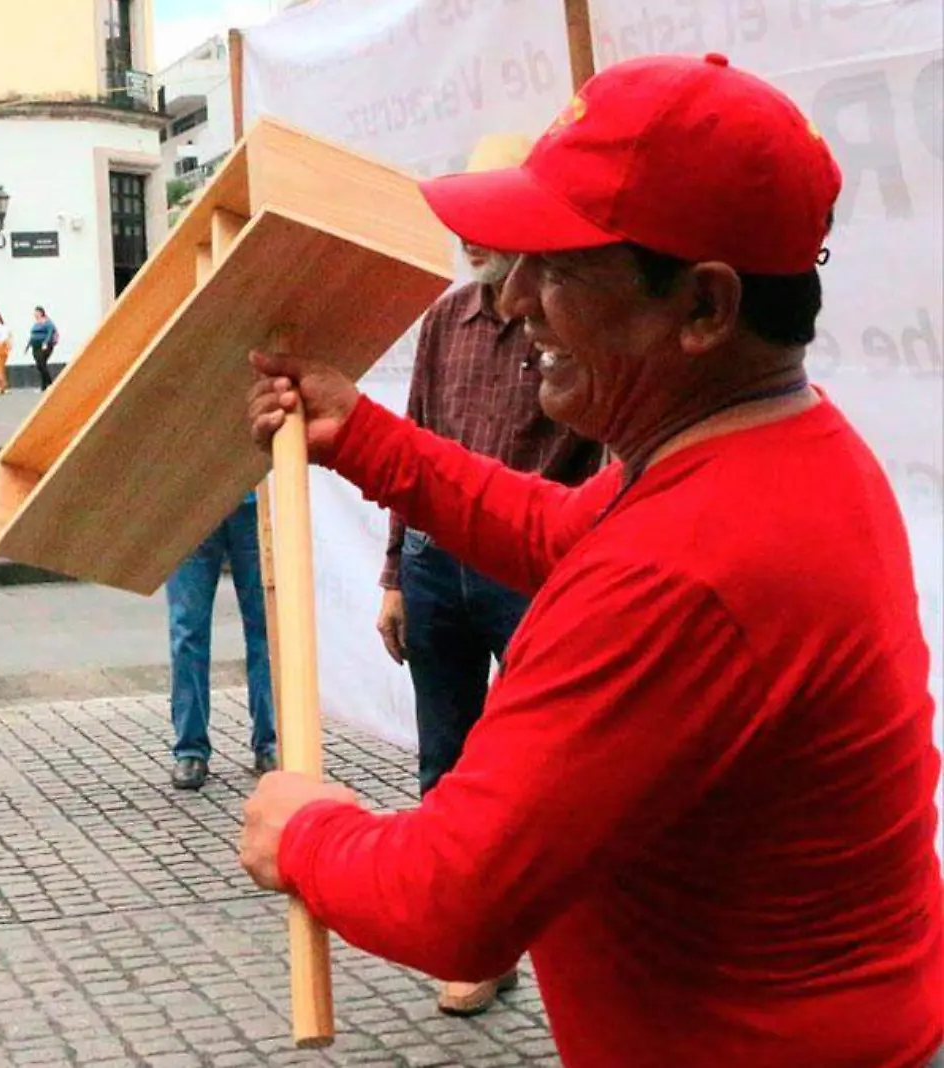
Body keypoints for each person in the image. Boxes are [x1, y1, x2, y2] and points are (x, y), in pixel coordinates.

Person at [239, 54, 943, 1068]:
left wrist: (307, 832)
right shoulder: (771, 451)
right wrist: (363, 435)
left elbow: (455, 901)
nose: (514, 298)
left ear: (703, 308)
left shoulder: (686, 569)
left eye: (558, 266)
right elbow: (560, 529)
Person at [378, 133, 605, 1015]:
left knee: (540, 769)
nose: (472, 241)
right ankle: (474, 943)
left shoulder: (570, 325)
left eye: (490, 223)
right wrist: (396, 574)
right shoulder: (445, 319)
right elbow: (415, 445)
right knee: (447, 762)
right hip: (436, 569)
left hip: (528, 572)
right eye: (465, 224)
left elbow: (598, 459)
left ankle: (552, 939)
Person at [165, 491, 276, 790]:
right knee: (187, 631)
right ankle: (190, 749)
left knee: (267, 627)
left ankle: (271, 742)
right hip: (190, 501)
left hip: (256, 500)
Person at [27, 307, 58, 389]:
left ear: (41, 313)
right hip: (35, 346)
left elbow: (50, 333)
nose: (35, 314)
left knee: (42, 363)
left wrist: (45, 343)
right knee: (39, 365)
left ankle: (50, 383)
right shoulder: (36, 323)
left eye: (37, 312)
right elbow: (33, 335)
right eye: (34, 313)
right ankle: (44, 386)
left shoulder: (47, 322)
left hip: (44, 345)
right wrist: (27, 346)